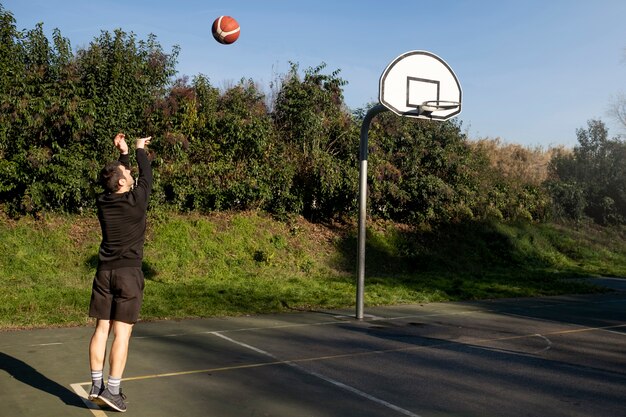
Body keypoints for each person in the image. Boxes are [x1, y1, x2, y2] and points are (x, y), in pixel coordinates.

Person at [87, 133, 152, 413]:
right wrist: (138, 150)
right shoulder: (136, 201)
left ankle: (96, 385)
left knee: (102, 328)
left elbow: (122, 178)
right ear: (124, 183)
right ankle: (113, 391)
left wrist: (123, 155)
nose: (130, 173)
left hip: (104, 274)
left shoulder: (104, 201)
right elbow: (147, 175)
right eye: (127, 172)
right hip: (128, 275)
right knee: (122, 334)